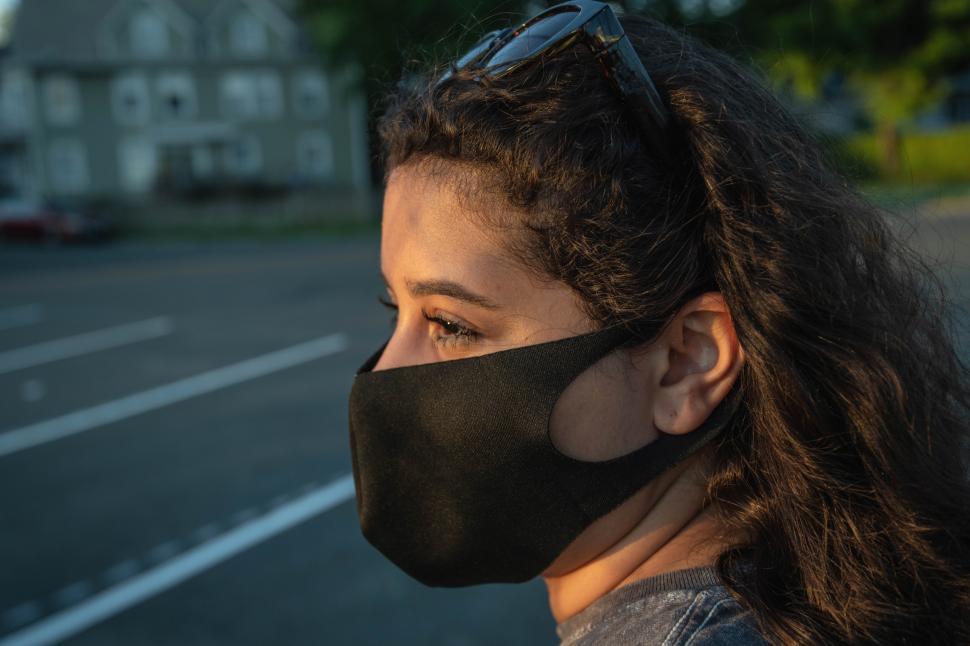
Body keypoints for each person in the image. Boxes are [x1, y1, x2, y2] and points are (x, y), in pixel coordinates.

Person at [346, 2, 970, 644]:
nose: (384, 373)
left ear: (686, 362)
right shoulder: (807, 590)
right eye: (398, 311)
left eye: (451, 324)